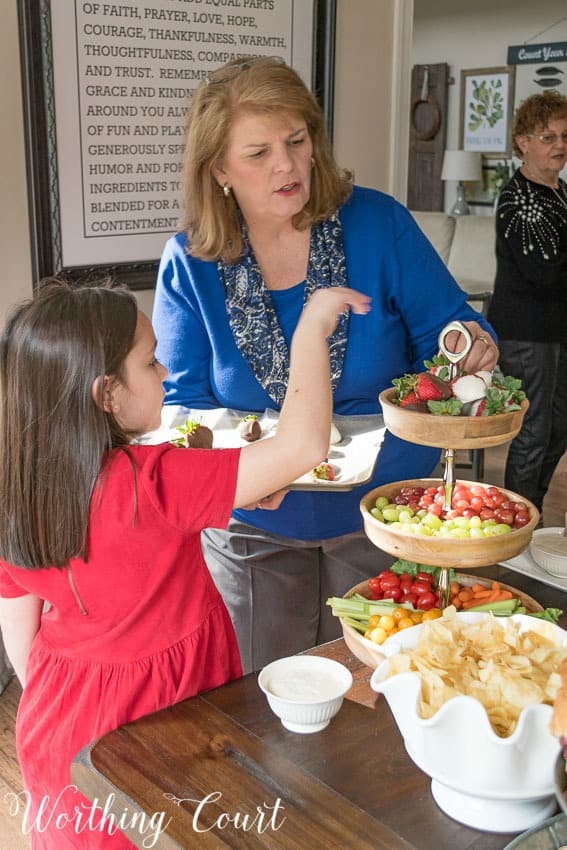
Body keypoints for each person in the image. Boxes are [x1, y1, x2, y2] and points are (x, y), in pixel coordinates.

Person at [152, 56, 499, 675]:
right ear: (219, 170)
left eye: (297, 141)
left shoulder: (379, 223)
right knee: (265, 700)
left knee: (385, 696)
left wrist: (470, 342)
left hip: (387, 513)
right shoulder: (190, 260)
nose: (286, 164)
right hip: (253, 524)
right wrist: (243, 472)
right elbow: (183, 408)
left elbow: (449, 330)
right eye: (258, 153)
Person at [0, 277, 369, 850]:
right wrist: (312, 329)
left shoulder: (19, 485)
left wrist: (66, 690)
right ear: (107, 394)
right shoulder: (155, 481)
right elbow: (303, 447)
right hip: (163, 721)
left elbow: (16, 611)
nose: (166, 373)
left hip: (57, 719)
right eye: (150, 363)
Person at [487, 90, 567, 514]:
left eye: (564, 136)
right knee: (533, 432)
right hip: (527, 333)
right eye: (548, 137)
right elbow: (544, 270)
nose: (559, 146)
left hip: (557, 331)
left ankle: (529, 512)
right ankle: (517, 526)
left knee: (559, 429)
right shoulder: (518, 199)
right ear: (523, 141)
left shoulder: (560, 192)